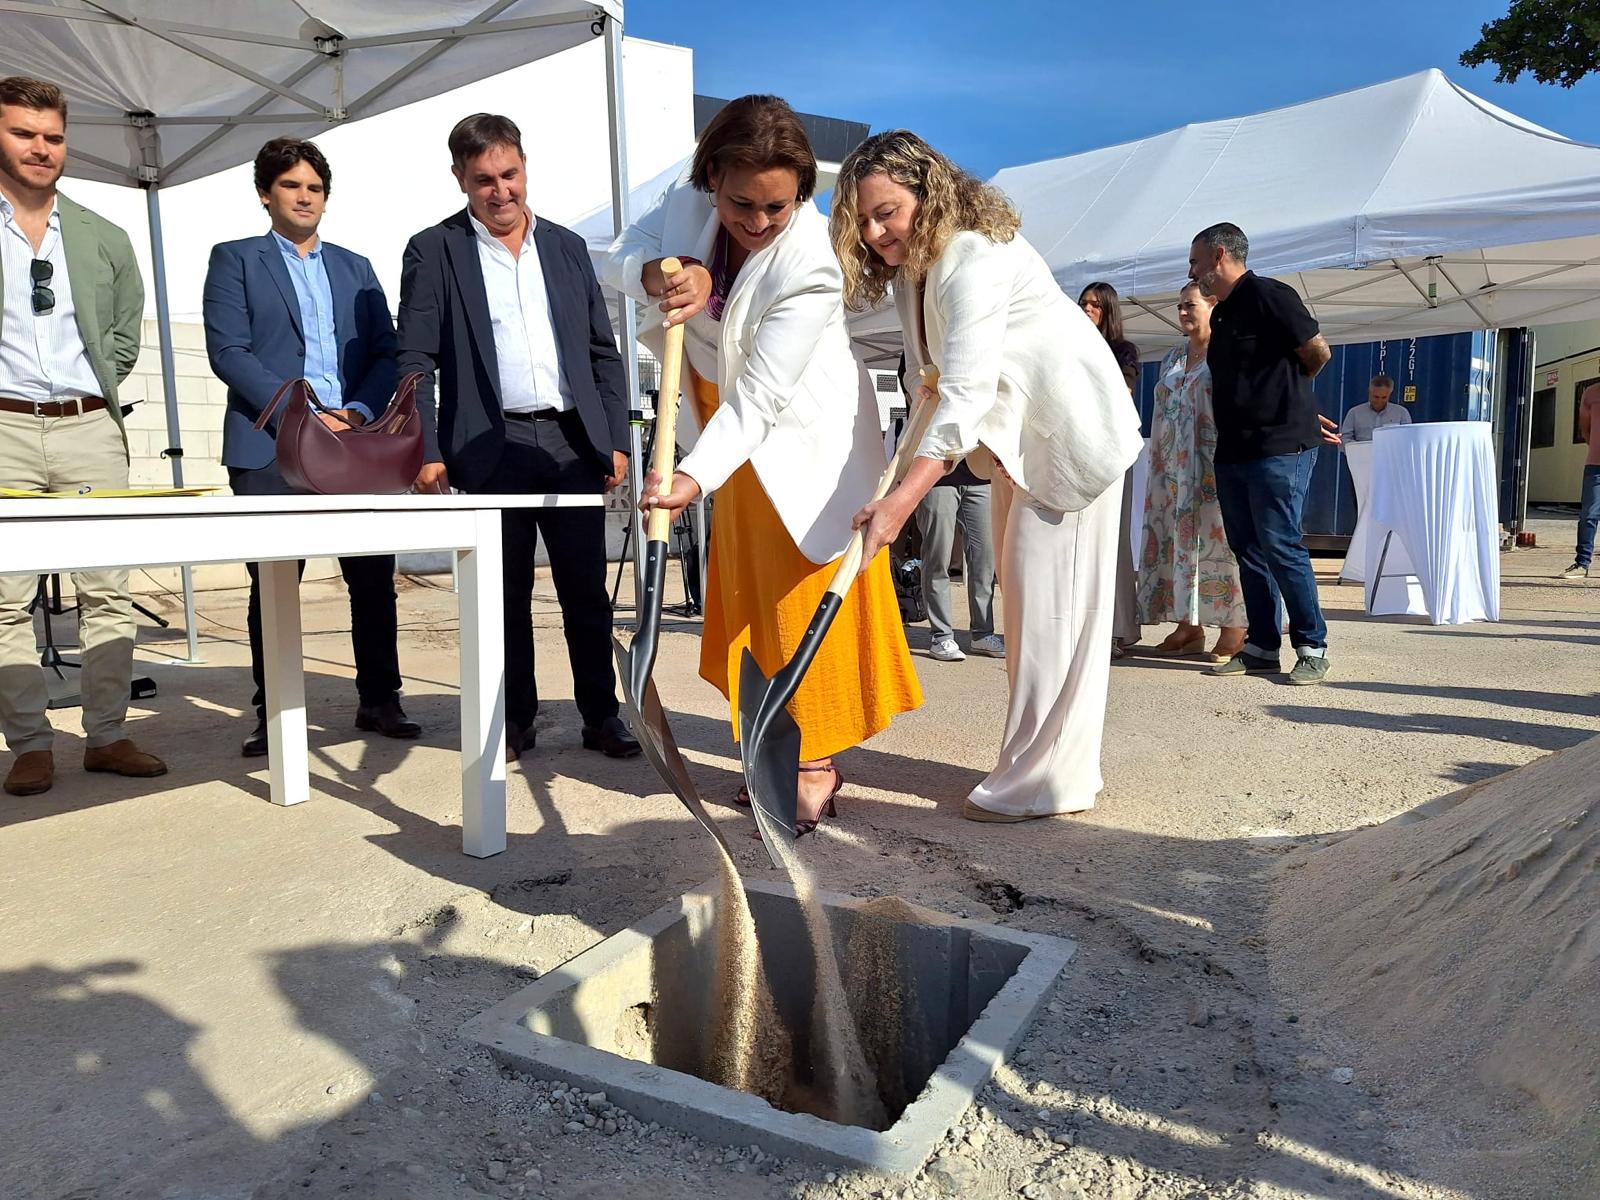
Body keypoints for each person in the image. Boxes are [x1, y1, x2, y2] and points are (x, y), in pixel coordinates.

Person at [604, 95, 920, 833]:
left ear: (801, 195)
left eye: (777, 207)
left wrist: (688, 478)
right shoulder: (681, 204)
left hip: (798, 438)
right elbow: (618, 258)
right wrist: (655, 274)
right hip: (718, 427)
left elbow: (765, 398)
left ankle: (815, 760)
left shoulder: (810, 261)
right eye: (742, 203)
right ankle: (766, 741)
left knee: (801, 595)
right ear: (712, 176)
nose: (757, 222)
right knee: (748, 599)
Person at [833, 130, 1142, 823]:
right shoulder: (918, 270)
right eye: (863, 222)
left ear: (928, 190)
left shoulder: (970, 254)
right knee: (1034, 612)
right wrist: (884, 494)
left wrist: (904, 500)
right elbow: (928, 388)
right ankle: (1054, 771)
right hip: (1017, 448)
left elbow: (965, 392)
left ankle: (1041, 782)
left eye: (887, 211)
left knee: (1051, 617)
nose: (877, 232)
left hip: (1069, 440)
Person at [398, 113, 638, 763]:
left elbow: (601, 352)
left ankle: (601, 715)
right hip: (489, 444)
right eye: (484, 181)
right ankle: (516, 720)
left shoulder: (565, 248)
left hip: (571, 444)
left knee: (585, 591)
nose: (501, 192)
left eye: (510, 174)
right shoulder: (434, 250)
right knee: (503, 597)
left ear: (525, 167)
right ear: (460, 180)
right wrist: (427, 449)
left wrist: (614, 438)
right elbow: (415, 360)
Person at [204, 137, 420, 758]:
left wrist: (355, 411)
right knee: (274, 580)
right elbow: (229, 351)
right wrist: (298, 414)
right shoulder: (235, 259)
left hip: (353, 441)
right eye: (292, 186)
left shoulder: (356, 267)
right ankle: (272, 711)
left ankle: (381, 698)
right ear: (265, 193)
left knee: (372, 577)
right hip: (271, 443)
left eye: (315, 188)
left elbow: (386, 348)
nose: (305, 197)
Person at [0, 75, 166, 797]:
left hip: (89, 426)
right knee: (4, 599)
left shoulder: (103, 235)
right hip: (2, 426)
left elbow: (124, 334)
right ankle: (30, 744)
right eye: (24, 133)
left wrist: (94, 391)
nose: (41, 148)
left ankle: (108, 735)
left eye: (53, 136)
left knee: (108, 588)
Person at [1188, 222, 1333, 685]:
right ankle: (1261, 647)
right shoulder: (1224, 313)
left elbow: (1317, 352)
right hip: (1234, 450)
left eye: (1195, 261)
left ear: (1219, 255)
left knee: (1281, 543)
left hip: (1279, 445)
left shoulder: (1271, 295)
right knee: (1247, 549)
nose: (1191, 270)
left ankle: (1311, 646)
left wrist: (1292, 402)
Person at [1137, 282, 1246, 660]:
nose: (1183, 312)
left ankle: (1235, 627)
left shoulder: (1227, 351)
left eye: (1191, 305)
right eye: (1179, 306)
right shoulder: (1173, 358)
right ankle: (1188, 625)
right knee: (1176, 544)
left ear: (1213, 305)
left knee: (1218, 544)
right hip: (1170, 467)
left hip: (1211, 463)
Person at [900, 353, 999, 663]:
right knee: (937, 556)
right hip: (935, 471)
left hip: (978, 468)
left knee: (984, 557)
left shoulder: (976, 342)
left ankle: (983, 633)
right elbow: (912, 384)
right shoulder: (919, 346)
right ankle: (941, 635)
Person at [1078, 281, 1142, 657]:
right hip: (1076, 450)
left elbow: (1121, 393)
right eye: (1083, 302)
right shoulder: (1066, 346)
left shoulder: (1122, 352)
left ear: (1109, 312)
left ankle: (1118, 628)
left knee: (1113, 539)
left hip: (1111, 448)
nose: (1087, 309)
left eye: (1096, 305)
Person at [1563, 381, 1600, 579]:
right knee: (1589, 515)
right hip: (1596, 466)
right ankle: (1582, 563)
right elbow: (1585, 429)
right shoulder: (1591, 394)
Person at [1338, 374, 1411, 443]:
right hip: (1362, 454)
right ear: (1369, 392)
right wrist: (1359, 448)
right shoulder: (1354, 413)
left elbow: (1408, 438)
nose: (1379, 401)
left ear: (1390, 394)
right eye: (1376, 397)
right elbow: (1345, 438)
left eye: (1384, 397)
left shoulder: (1401, 413)